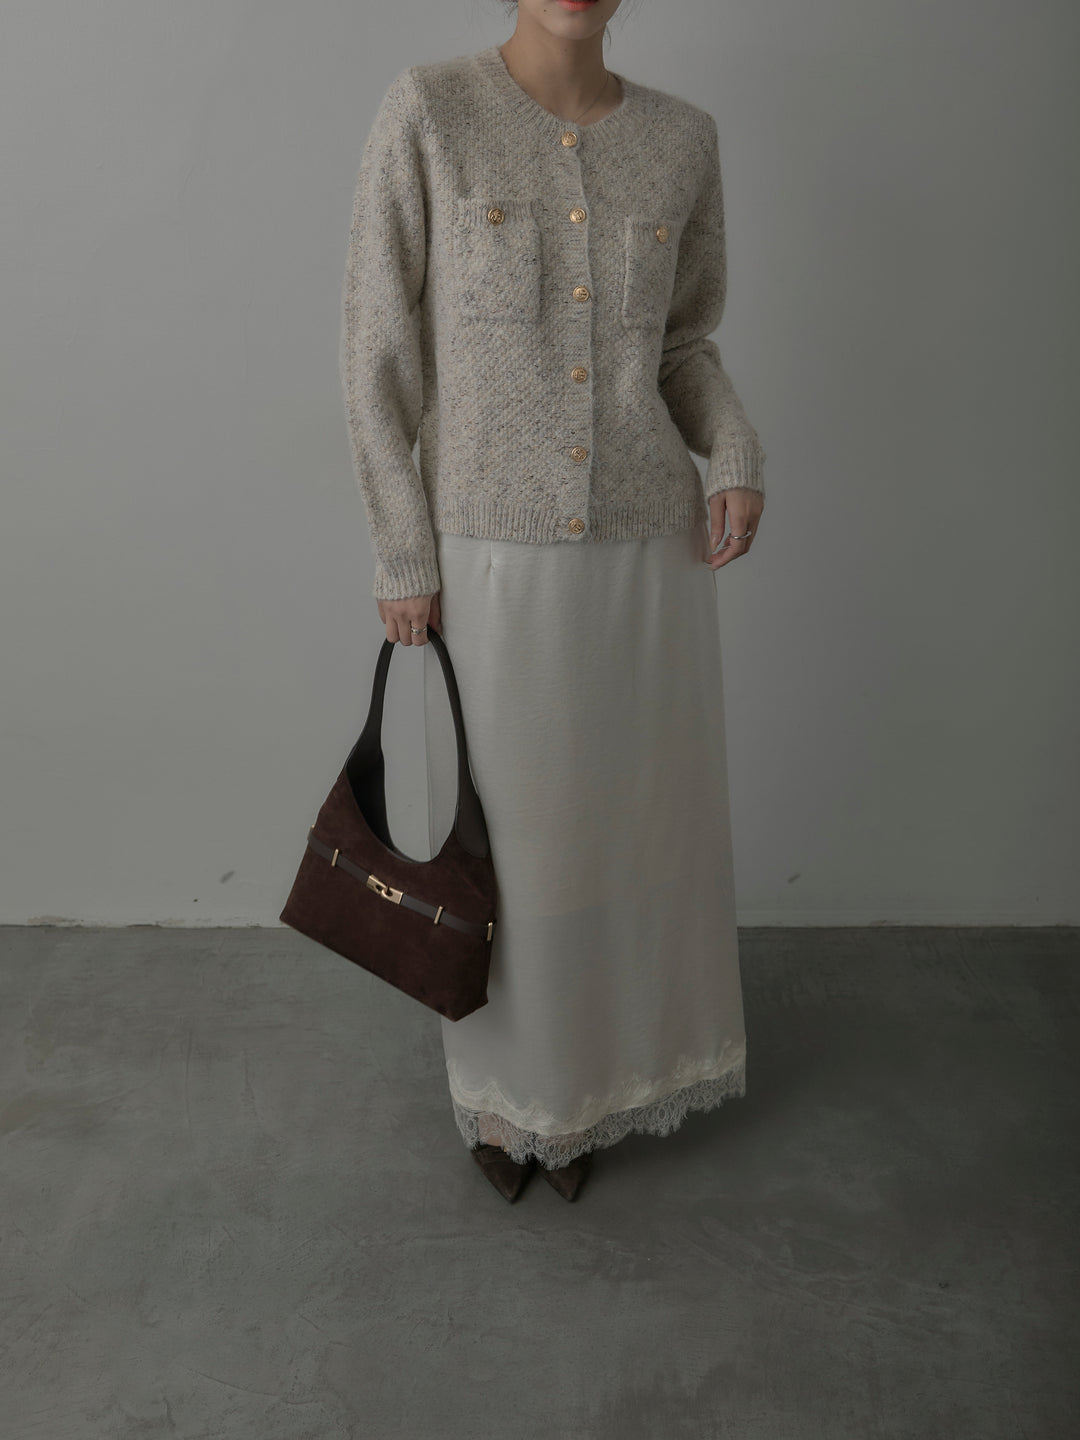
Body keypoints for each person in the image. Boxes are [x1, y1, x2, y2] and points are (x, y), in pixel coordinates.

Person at [340, 0, 766, 1203]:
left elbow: (682, 347)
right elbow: (376, 352)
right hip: (493, 556)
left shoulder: (682, 139)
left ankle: (592, 1094)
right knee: (510, 852)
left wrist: (734, 451)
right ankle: (509, 1099)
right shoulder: (431, 113)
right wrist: (403, 551)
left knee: (626, 840)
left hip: (646, 556)